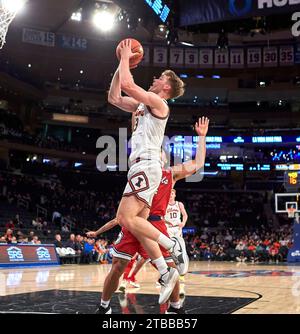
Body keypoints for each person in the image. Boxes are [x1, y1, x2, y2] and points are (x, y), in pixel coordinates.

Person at [87, 116, 209, 314]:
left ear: (163, 157)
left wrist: (201, 137)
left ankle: (176, 307)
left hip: (155, 224)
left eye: (158, 152)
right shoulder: (139, 169)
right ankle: (104, 306)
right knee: (118, 266)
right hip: (134, 223)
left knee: (171, 268)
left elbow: (198, 163)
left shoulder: (171, 173)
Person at [107, 39, 187, 305]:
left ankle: (171, 245)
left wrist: (126, 58)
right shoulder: (142, 105)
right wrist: (122, 65)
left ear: (166, 87)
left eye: (160, 77)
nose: (154, 77)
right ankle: (165, 272)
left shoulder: (159, 103)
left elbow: (130, 85)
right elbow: (115, 96)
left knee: (124, 216)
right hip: (139, 166)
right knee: (140, 226)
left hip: (148, 164)